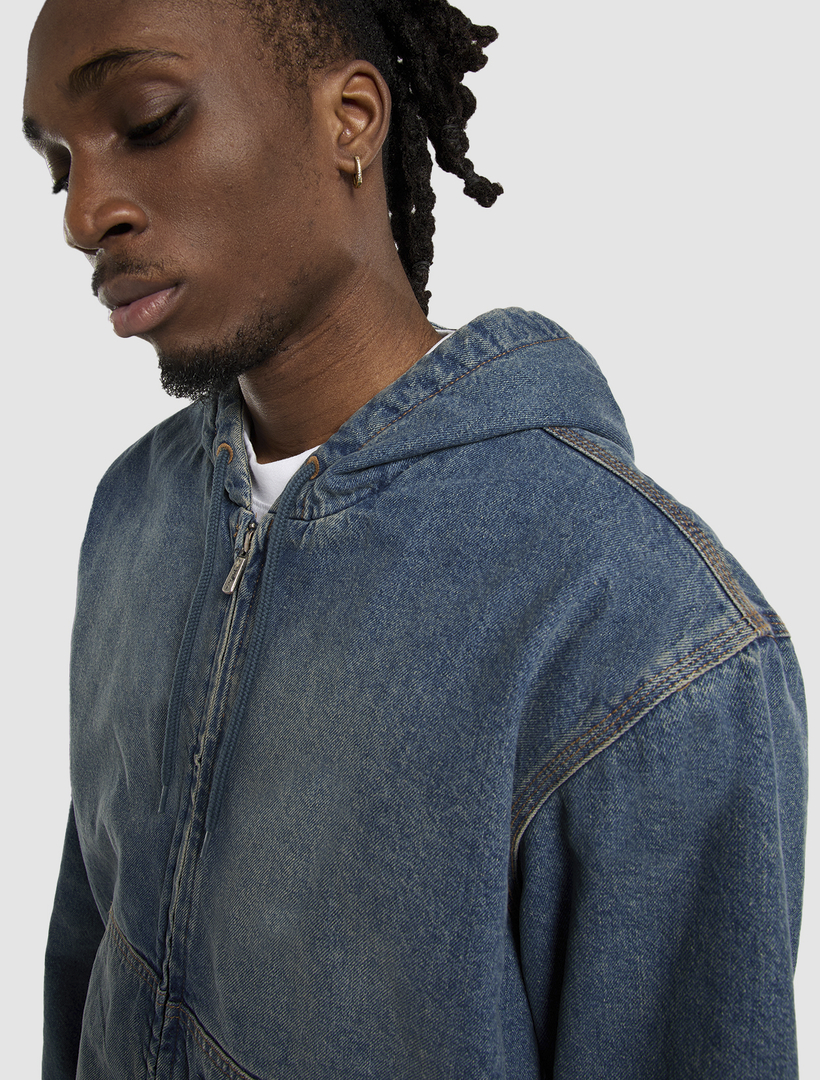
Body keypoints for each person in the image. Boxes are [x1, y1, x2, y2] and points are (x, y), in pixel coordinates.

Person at [23, 0, 807, 1076]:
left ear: (350, 119)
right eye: (59, 165)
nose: (85, 215)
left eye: (149, 120)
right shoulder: (135, 511)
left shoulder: (644, 632)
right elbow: (87, 963)